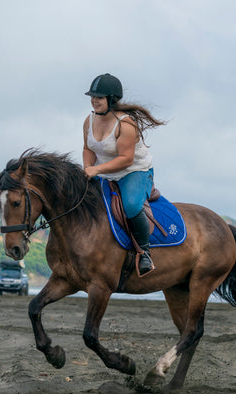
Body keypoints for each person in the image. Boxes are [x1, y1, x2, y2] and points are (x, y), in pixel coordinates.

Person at [82, 73, 165, 276]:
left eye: (99, 97)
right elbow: (88, 148)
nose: (94, 101)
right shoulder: (89, 120)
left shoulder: (126, 124)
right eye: (92, 97)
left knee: (131, 205)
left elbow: (126, 159)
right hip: (104, 172)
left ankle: (144, 252)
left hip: (133, 171)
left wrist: (97, 169)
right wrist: (87, 168)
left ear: (111, 99)